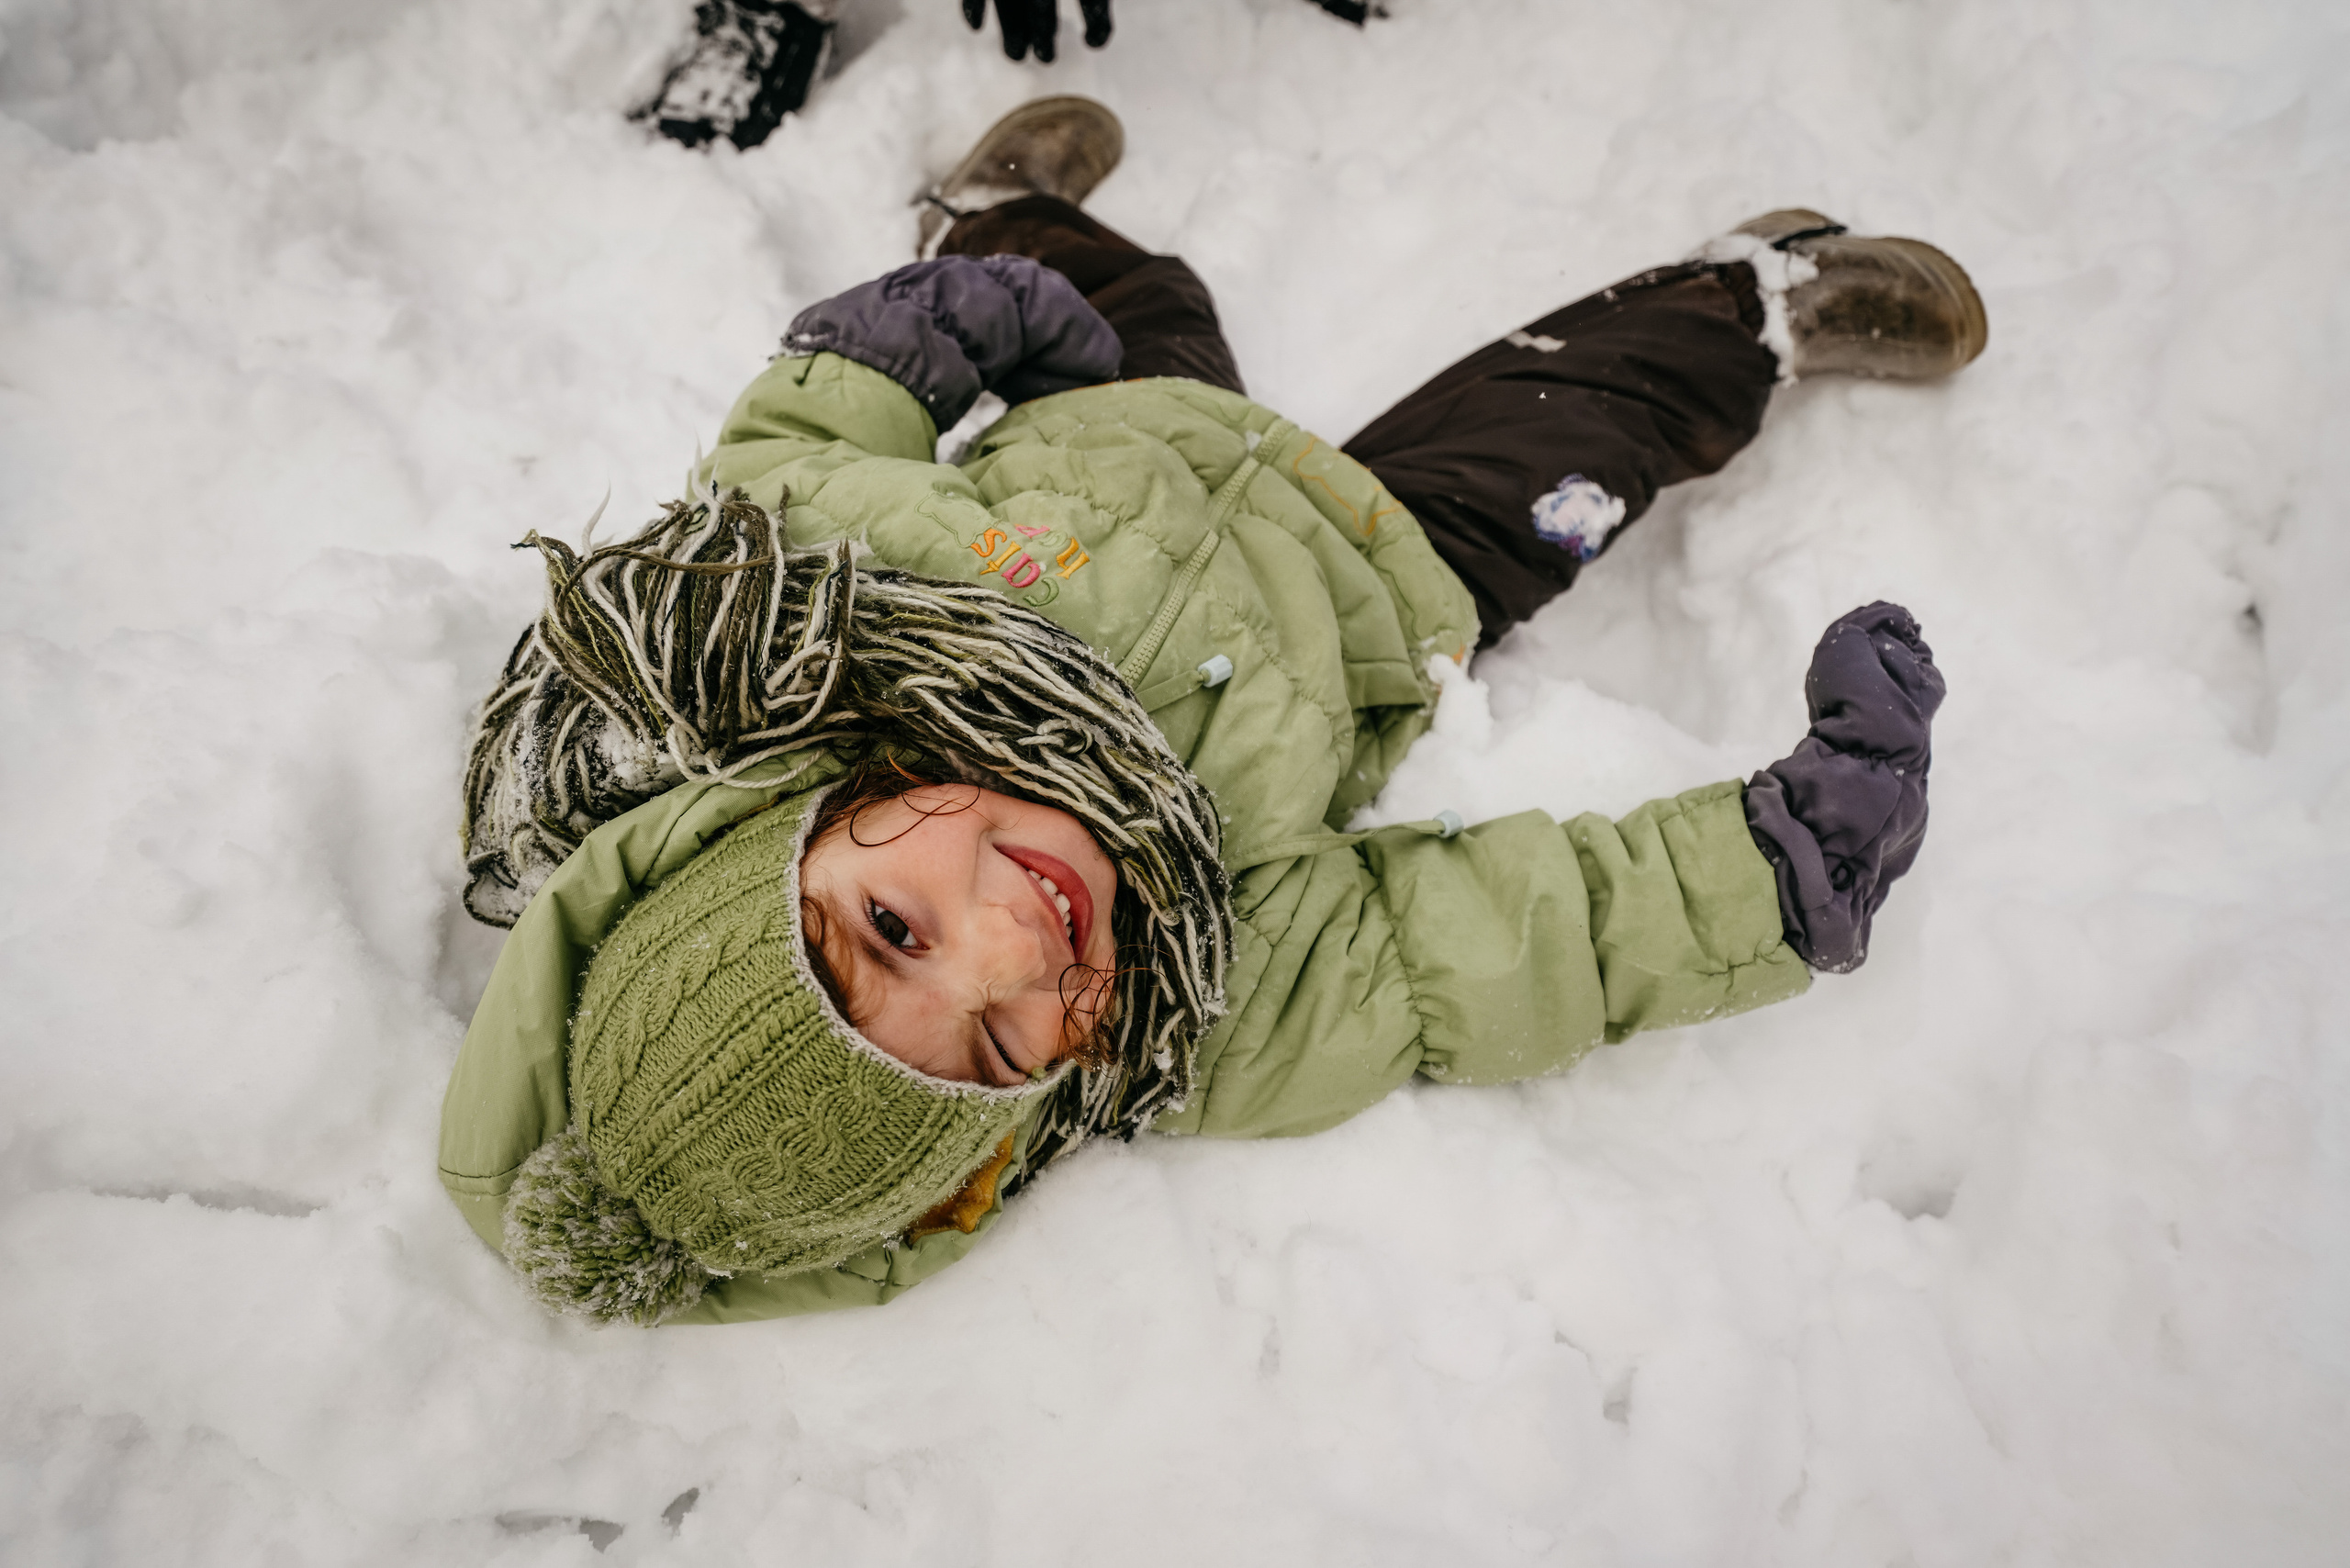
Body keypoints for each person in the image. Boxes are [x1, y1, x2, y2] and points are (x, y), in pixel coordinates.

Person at [442, 97, 1971, 1326]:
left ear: (789, 834)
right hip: (1385, 574)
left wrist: (943, 322)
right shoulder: (1205, 999)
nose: (1011, 944)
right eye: (988, 1044)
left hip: (1109, 422)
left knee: (1135, 290)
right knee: (1588, 429)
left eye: (896, 931)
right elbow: (1484, 956)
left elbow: (800, 438)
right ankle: (1756, 299)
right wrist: (1772, 878)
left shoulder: (825, 628)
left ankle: (994, 210)